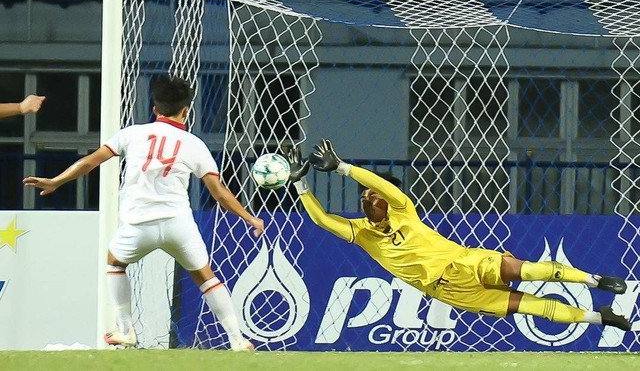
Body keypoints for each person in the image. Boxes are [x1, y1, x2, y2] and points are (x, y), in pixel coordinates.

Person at [285, 139, 632, 332]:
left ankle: (593, 279)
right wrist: (300, 182)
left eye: (372, 195)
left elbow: (380, 184)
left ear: (385, 199)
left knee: (528, 269)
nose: (367, 198)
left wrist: (344, 168)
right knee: (536, 308)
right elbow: (319, 218)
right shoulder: (361, 233)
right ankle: (601, 317)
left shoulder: (403, 208)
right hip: (448, 290)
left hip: (466, 260)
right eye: (362, 197)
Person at [23, 76, 263, 350]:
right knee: (206, 276)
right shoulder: (194, 144)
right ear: (186, 110)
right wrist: (250, 218)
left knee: (115, 262)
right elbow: (219, 193)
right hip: (178, 224)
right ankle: (237, 340)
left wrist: (56, 181)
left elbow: (89, 162)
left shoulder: (131, 134)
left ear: (154, 108)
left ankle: (125, 330)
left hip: (138, 225)